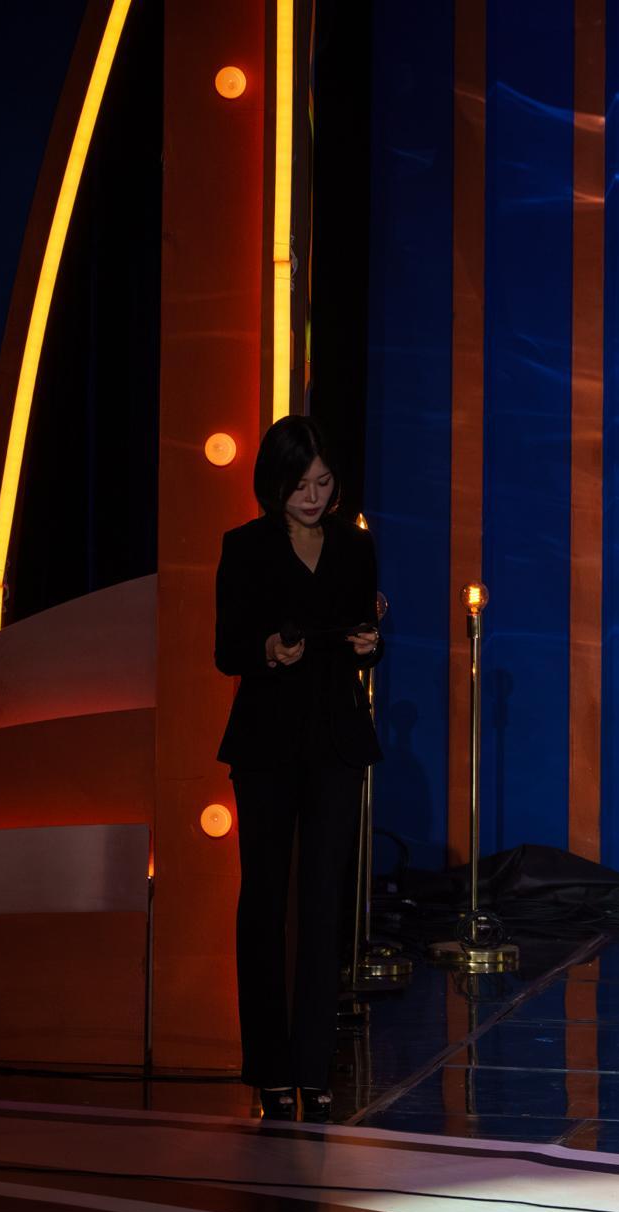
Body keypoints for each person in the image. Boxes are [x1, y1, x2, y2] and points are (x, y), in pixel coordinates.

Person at [214, 416, 382, 1122]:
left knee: (323, 902)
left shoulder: (355, 546)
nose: (313, 497)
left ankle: (314, 1065)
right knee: (263, 901)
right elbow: (226, 649)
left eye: (323, 483)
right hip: (266, 743)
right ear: (274, 483)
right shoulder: (246, 547)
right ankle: (269, 1067)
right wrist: (267, 651)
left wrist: (370, 645)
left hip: (336, 740)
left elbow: (364, 638)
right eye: (300, 485)